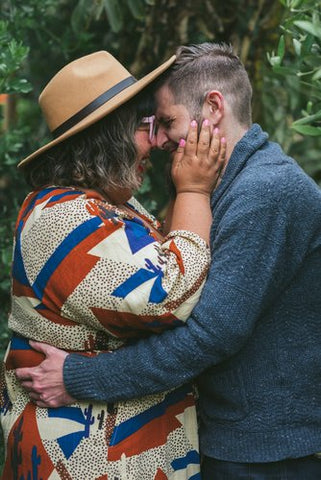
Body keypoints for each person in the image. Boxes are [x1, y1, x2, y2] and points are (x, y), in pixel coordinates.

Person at [15, 42, 321, 479]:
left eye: (167, 122)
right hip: (239, 443)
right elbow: (177, 289)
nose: (159, 140)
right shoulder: (226, 187)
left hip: (265, 451)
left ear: (213, 107)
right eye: (148, 126)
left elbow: (208, 333)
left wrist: (81, 378)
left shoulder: (265, 193)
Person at [0, 50, 227, 480]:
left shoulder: (100, 205)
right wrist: (195, 188)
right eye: (148, 127)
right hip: (86, 460)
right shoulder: (64, 217)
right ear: (110, 136)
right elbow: (170, 296)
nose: (160, 142)